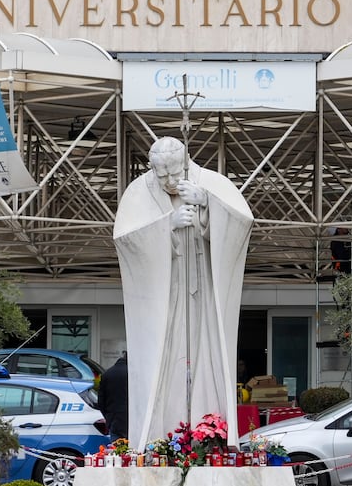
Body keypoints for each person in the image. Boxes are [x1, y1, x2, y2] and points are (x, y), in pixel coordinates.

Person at [114, 136, 253, 446]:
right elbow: (126, 241)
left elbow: (242, 224)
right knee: (165, 360)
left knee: (208, 353)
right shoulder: (138, 192)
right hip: (166, 296)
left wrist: (207, 205)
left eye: (174, 173)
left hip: (204, 292)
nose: (168, 181)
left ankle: (208, 434)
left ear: (186, 163)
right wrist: (168, 225)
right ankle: (161, 438)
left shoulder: (213, 184)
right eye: (160, 174)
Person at [98, 351, 129, 440]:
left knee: (116, 450)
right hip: (131, 421)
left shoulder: (107, 374)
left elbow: (101, 401)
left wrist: (108, 416)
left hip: (114, 419)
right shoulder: (133, 373)